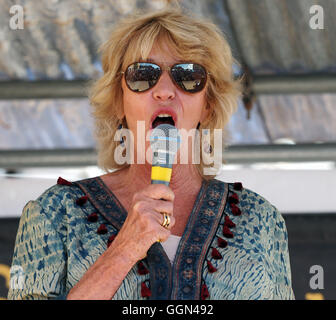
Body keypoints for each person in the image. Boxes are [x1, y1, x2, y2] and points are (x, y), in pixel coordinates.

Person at [8, 7, 295, 300]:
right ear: (119, 101)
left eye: (188, 76)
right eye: (143, 75)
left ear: (208, 106)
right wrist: (125, 247)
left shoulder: (261, 220)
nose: (165, 91)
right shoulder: (55, 214)